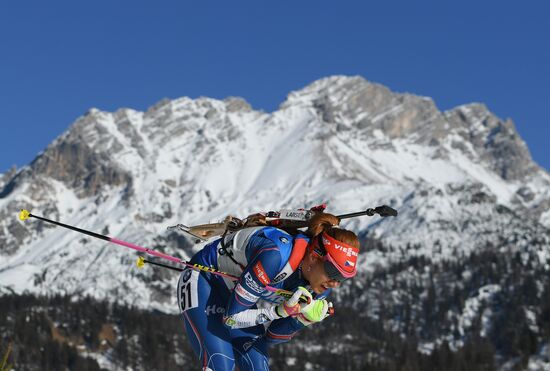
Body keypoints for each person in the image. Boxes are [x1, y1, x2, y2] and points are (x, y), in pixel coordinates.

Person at [177, 212, 361, 370]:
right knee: (220, 363)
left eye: (343, 277)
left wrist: (302, 319)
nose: (335, 283)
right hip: (204, 278)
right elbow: (231, 319)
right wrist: (278, 312)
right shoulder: (274, 256)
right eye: (333, 273)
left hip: (236, 294)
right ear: (314, 257)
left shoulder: (319, 288)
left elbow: (270, 338)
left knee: (257, 365)